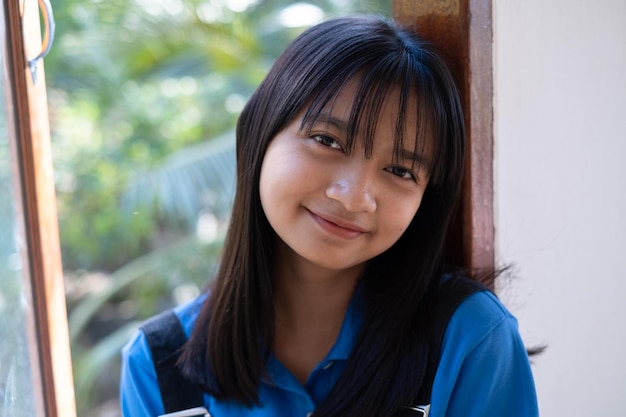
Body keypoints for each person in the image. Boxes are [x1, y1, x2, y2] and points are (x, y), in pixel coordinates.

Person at [120, 15, 539, 417]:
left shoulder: (469, 340)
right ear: (261, 133)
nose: (355, 198)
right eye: (327, 139)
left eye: (400, 171)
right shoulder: (158, 368)